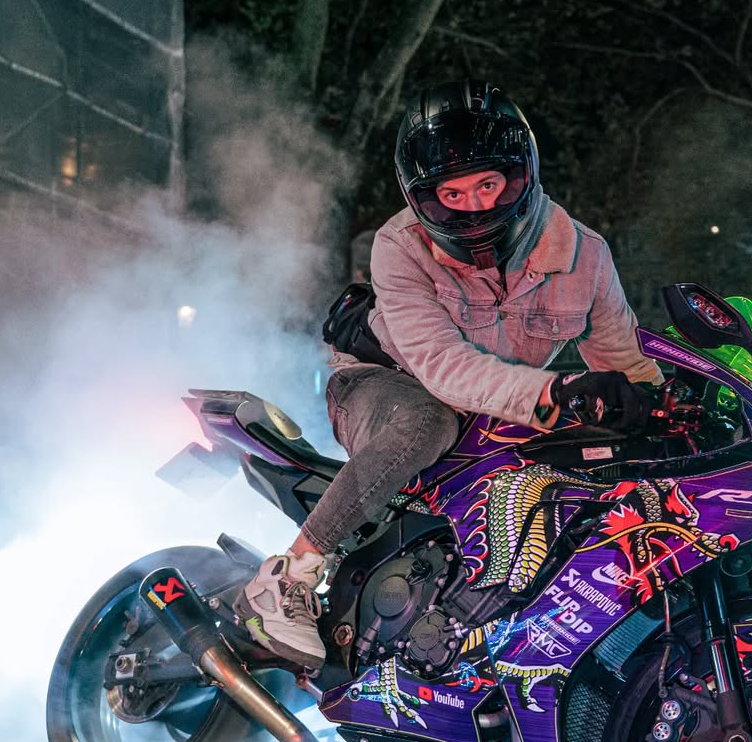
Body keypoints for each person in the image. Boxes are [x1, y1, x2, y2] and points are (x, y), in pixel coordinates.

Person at [240, 79, 664, 670]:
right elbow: (443, 367)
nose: (475, 207)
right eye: (452, 193)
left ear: (521, 175)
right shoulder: (399, 246)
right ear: (424, 198)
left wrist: (665, 404)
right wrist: (559, 391)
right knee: (426, 422)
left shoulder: (584, 255)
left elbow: (626, 361)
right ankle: (289, 576)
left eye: (488, 185)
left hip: (496, 403)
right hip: (383, 383)